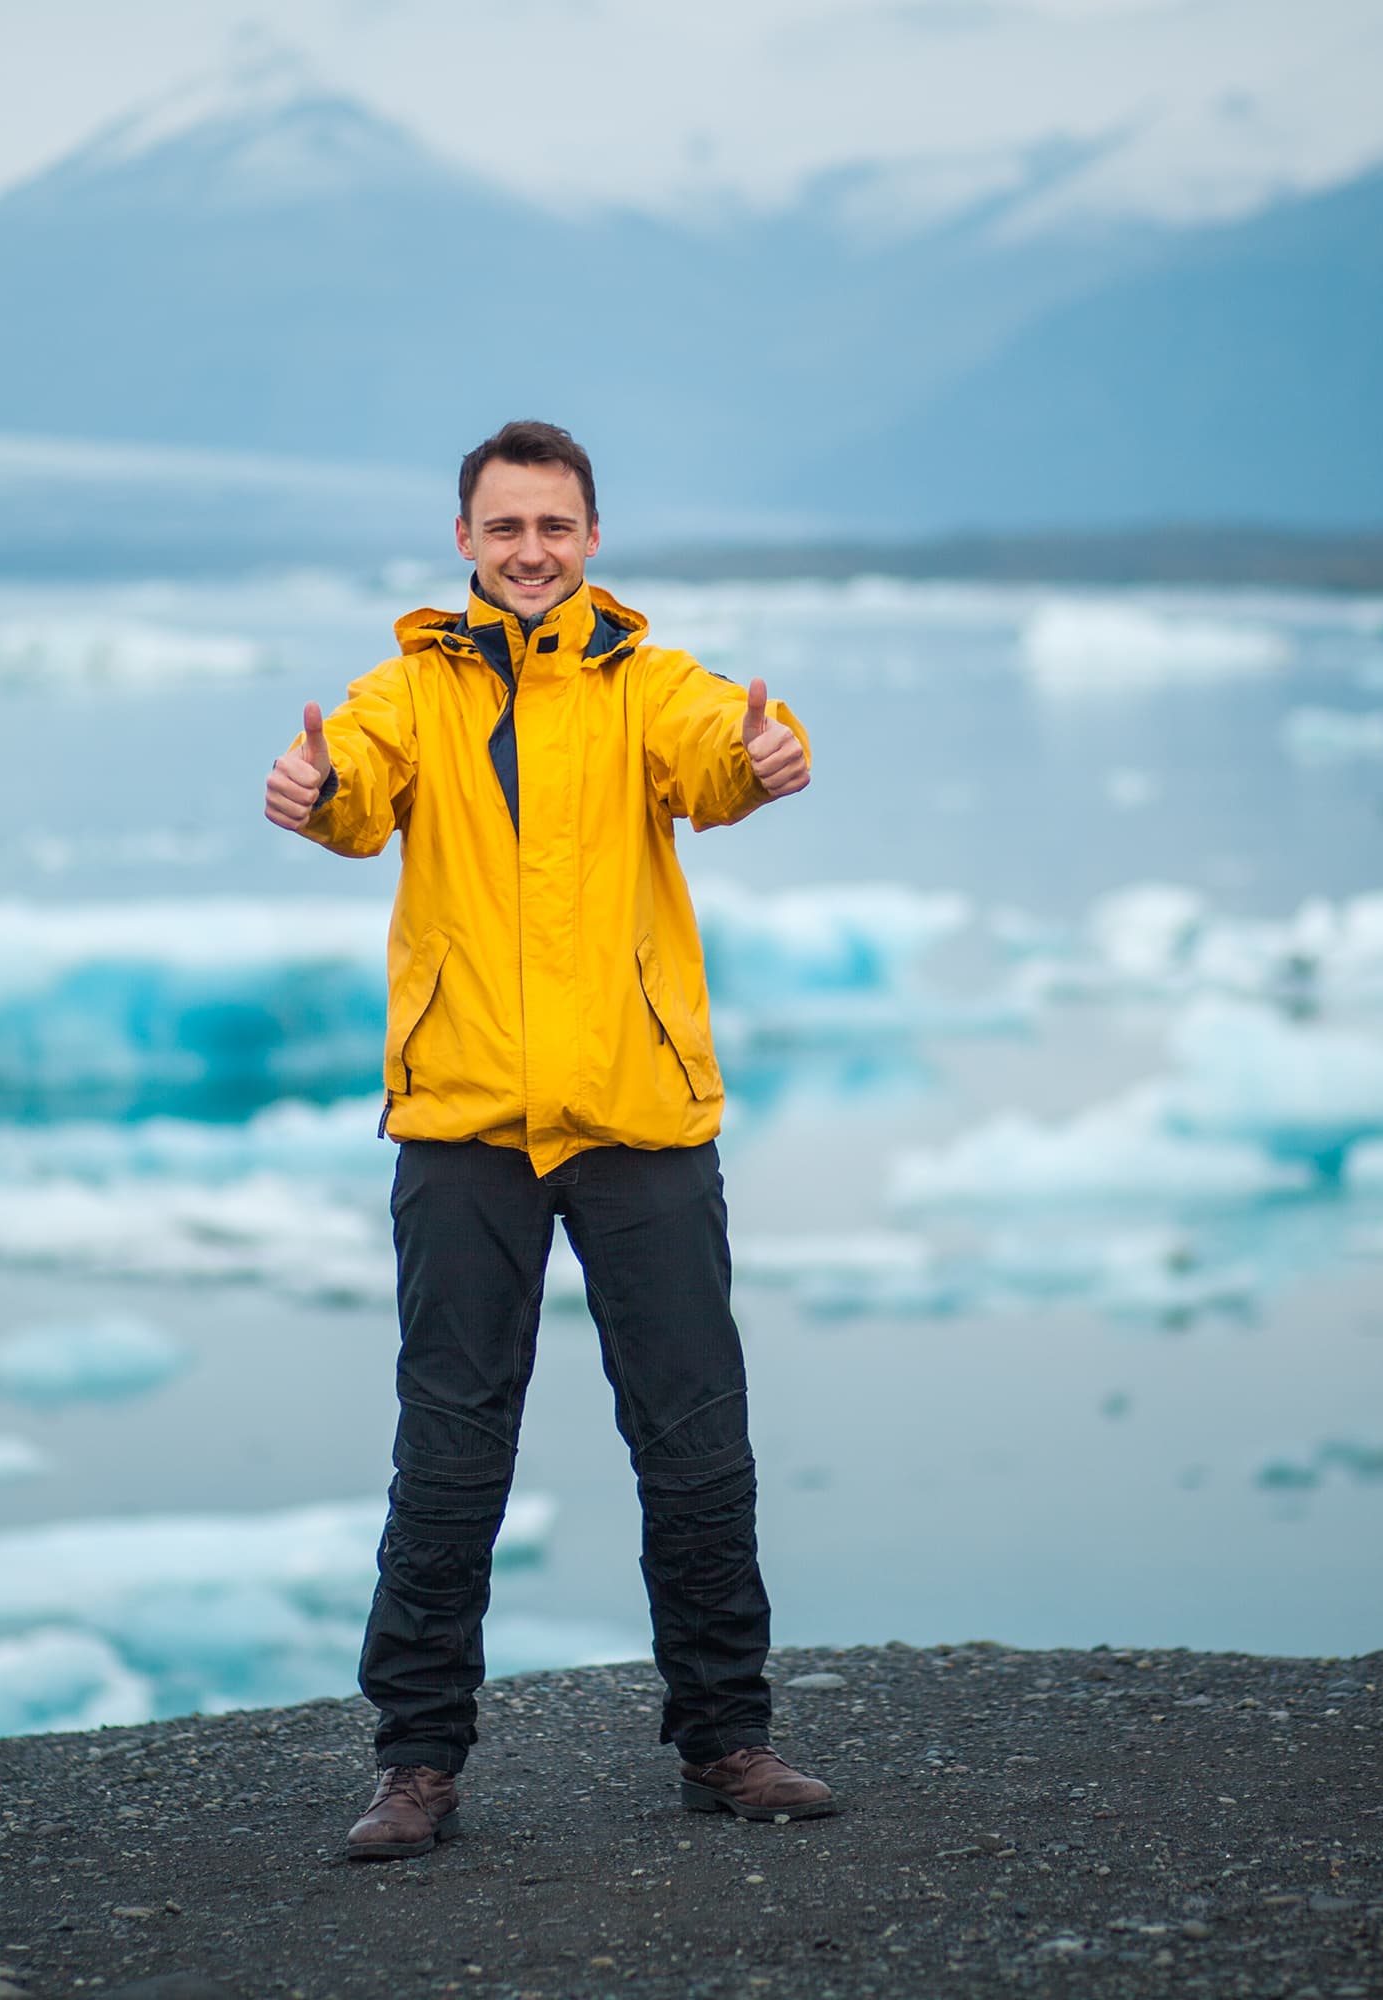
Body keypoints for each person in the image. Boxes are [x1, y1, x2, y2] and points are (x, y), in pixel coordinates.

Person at [262, 419, 837, 1860]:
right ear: (465, 539)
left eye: (555, 526)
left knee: (695, 1444)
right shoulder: (408, 689)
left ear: (591, 539)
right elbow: (359, 787)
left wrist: (765, 752)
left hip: (638, 1113)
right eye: (507, 526)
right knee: (450, 1452)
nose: (531, 550)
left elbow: (715, 754)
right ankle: (416, 1765)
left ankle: (728, 1740)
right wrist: (319, 791)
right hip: (467, 1119)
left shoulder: (648, 679)